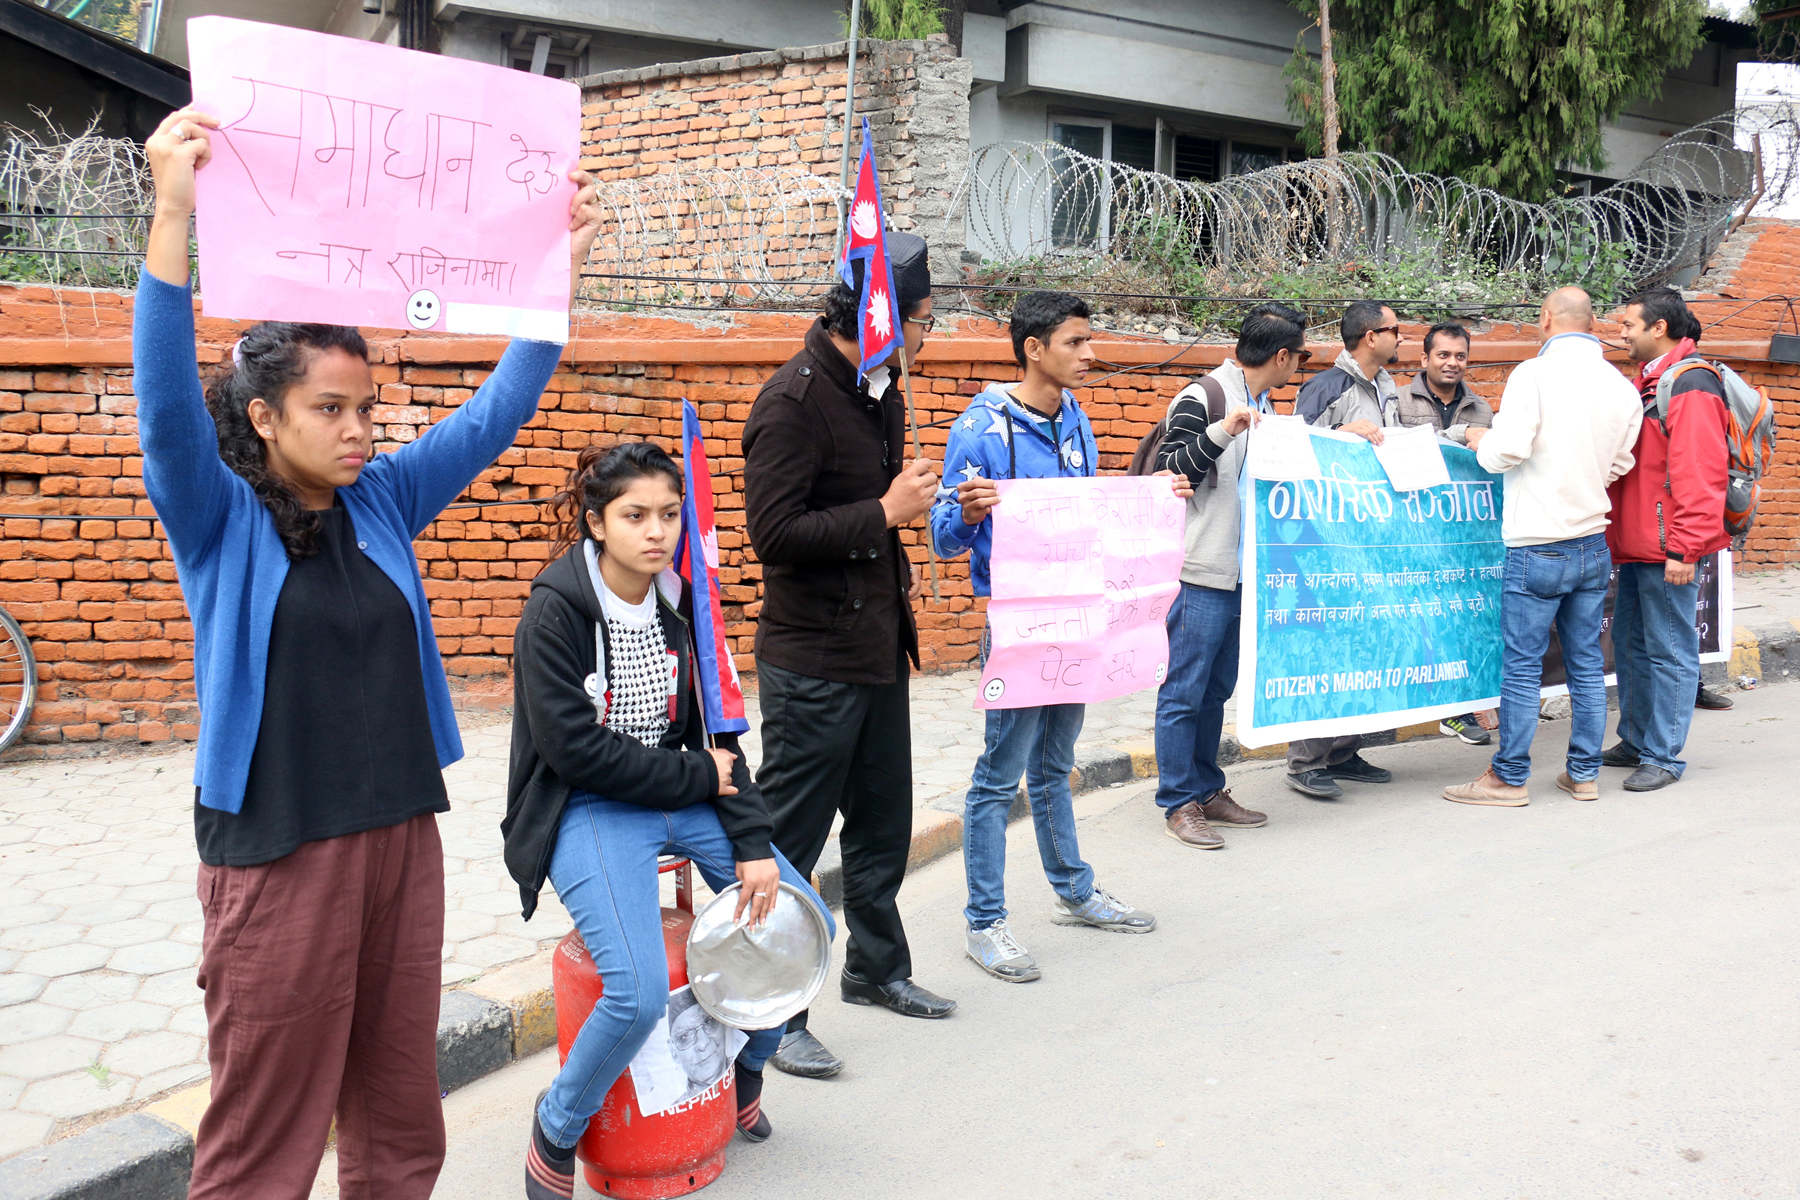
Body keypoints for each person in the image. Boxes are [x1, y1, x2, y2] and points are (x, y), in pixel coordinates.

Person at [134, 108, 600, 1200]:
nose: (358, 430)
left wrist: (555, 275)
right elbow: (164, 413)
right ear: (264, 417)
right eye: (330, 409)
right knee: (265, 1137)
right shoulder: (218, 516)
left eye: (367, 409)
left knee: (398, 1117)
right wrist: (171, 215)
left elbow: (494, 415)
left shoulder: (382, 500)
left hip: (398, 839)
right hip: (280, 851)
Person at [503, 443, 834, 1198]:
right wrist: (698, 776)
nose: (656, 532)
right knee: (638, 993)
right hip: (586, 805)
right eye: (634, 515)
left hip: (684, 792)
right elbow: (575, 751)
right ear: (597, 523)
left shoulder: (684, 602)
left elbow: (721, 731)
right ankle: (557, 1124)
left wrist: (752, 842)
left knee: (808, 924)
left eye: (669, 514)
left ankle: (746, 1072)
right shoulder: (555, 611)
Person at [741, 231, 950, 1078]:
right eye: (922, 321)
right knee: (789, 840)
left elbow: (877, 506)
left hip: (876, 645)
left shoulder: (880, 387)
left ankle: (875, 967)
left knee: (881, 822)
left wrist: (926, 509)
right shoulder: (790, 402)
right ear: (880, 319)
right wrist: (885, 513)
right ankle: (772, 1014)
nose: (926, 338)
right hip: (813, 658)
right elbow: (774, 534)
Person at [930, 291, 1178, 982]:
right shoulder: (979, 429)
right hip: (1018, 627)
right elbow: (943, 540)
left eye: (1088, 340)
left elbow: (1089, 515)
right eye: (1076, 342)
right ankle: (985, 923)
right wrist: (969, 513)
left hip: (1077, 623)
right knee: (997, 777)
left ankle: (1074, 890)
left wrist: (1154, 498)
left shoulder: (1075, 417)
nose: (1090, 353)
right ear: (1034, 349)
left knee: (1054, 766)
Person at [1443, 288, 1642, 807]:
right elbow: (1622, 463)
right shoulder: (1621, 386)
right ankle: (1583, 774)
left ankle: (1508, 778)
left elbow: (1505, 451)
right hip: (1592, 543)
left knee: (1522, 667)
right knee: (1586, 664)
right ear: (1592, 323)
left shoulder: (1533, 374)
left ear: (1547, 318)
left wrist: (1480, 442)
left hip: (1538, 544)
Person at [1151, 303, 1309, 848]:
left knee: (1216, 690)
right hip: (1200, 572)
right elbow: (1167, 473)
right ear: (1282, 356)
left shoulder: (1265, 403)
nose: (1299, 366)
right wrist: (1222, 430)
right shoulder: (1205, 397)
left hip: (1244, 573)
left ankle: (1206, 790)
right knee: (1184, 690)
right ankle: (1178, 803)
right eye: (1300, 356)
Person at [1605, 287, 1732, 791]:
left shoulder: (1691, 382)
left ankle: (1662, 756)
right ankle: (1636, 740)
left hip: (1667, 547)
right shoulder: (1653, 381)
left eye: (1628, 325)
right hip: (1640, 543)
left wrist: (1685, 547)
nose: (1621, 333)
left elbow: (1701, 472)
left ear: (1658, 328)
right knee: (1631, 645)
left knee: (1669, 650)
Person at [1284, 300, 1403, 799]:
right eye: (1394, 329)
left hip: (1371, 539)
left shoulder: (1387, 388)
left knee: (1364, 647)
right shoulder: (1326, 386)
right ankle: (1305, 762)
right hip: (1328, 542)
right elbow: (1289, 448)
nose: (1401, 337)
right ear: (1370, 337)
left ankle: (1344, 752)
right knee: (1327, 652)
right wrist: (1338, 433)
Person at [1400, 321, 1498, 747]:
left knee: (1460, 623)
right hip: (1410, 530)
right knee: (1412, 622)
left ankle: (1456, 711)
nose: (1452, 363)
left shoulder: (1481, 410)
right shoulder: (1397, 401)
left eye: (1460, 356)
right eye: (1443, 354)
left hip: (1460, 535)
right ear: (1424, 358)